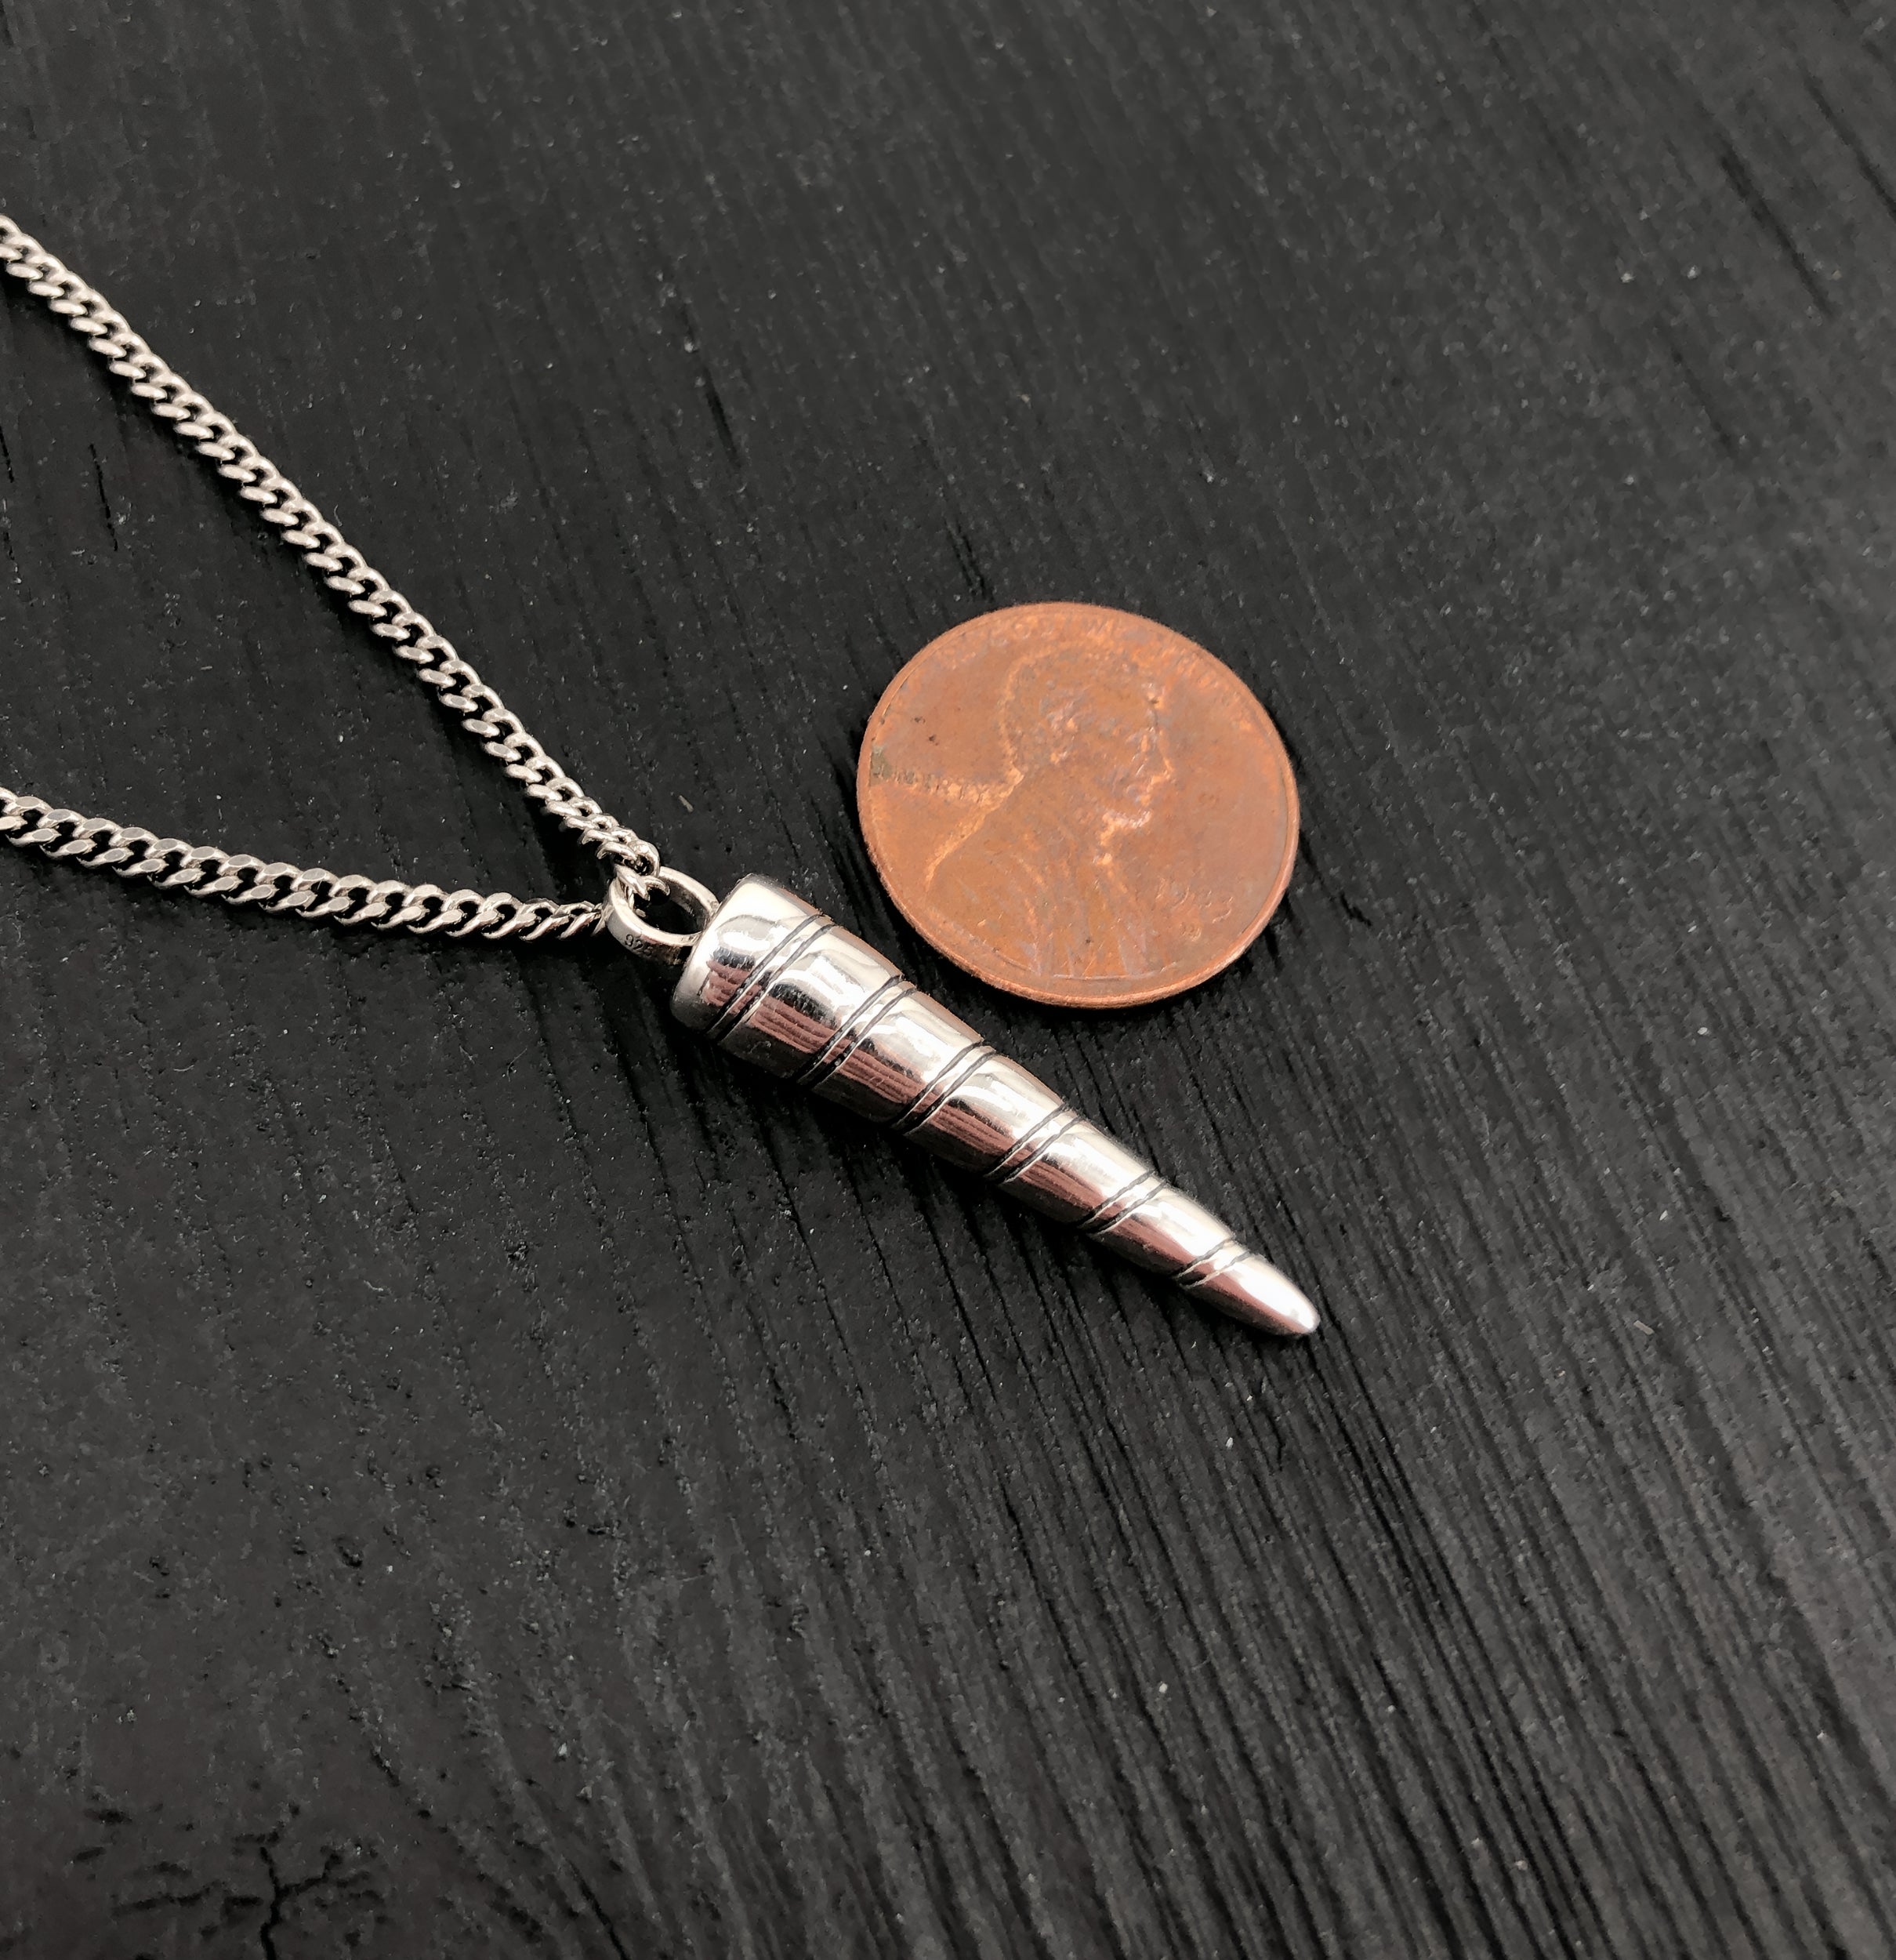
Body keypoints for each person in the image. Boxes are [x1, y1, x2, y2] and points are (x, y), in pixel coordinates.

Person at [926, 644, 1180, 980]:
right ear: (1062, 741)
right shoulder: (981, 880)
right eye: (1137, 744)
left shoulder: (1100, 877)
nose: (1161, 768)